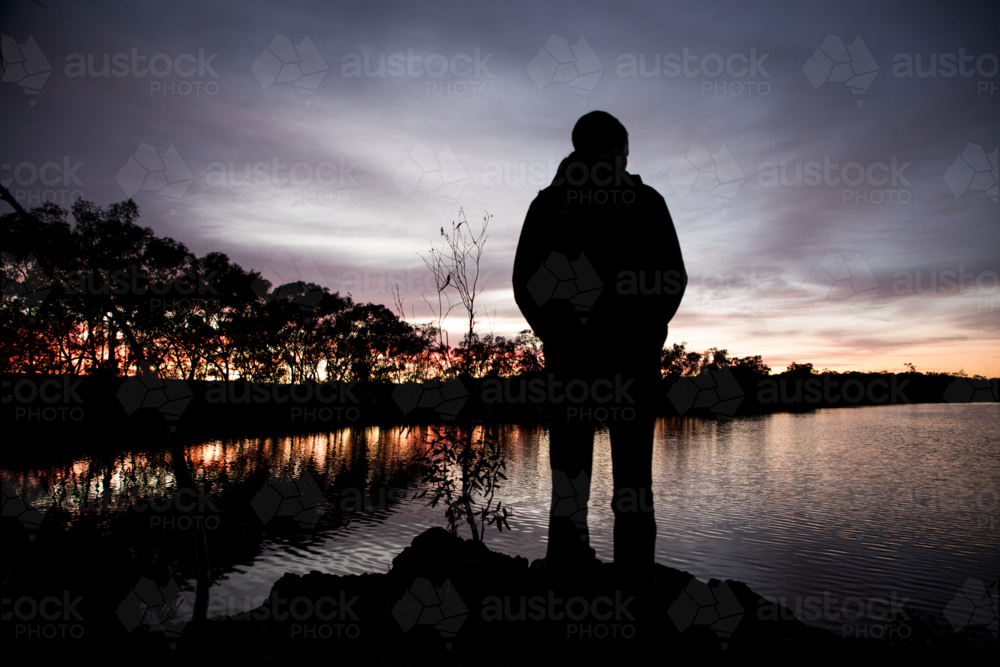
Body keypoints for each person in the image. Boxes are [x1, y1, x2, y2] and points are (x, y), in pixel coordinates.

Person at [512, 111, 686, 592]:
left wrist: (557, 335)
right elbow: (673, 278)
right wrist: (647, 333)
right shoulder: (646, 202)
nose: (627, 158)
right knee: (633, 482)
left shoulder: (548, 205)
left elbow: (524, 283)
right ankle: (634, 580)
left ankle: (566, 575)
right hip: (630, 364)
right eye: (625, 149)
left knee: (569, 479)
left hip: (572, 363)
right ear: (614, 145)